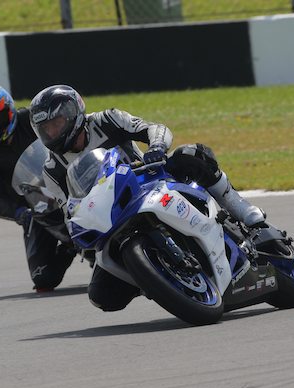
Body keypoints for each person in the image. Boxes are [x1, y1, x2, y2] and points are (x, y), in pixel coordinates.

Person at [28, 84, 266, 310]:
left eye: (56, 124)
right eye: (46, 129)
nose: (52, 133)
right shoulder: (52, 170)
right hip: (111, 217)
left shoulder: (107, 119)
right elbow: (70, 212)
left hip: (148, 181)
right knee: (102, 296)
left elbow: (155, 129)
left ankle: (241, 209)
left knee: (190, 154)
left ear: (73, 114)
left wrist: (156, 147)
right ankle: (158, 277)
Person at [0, 86, 75, 292]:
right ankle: (70, 247)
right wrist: (21, 214)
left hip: (65, 185)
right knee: (43, 278)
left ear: (10, 113)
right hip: (35, 210)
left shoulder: (31, 120)